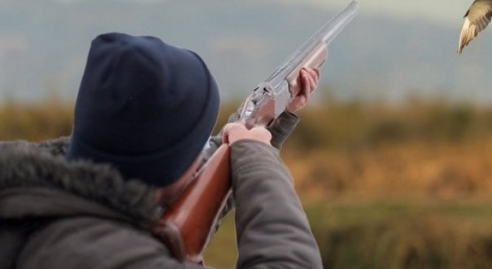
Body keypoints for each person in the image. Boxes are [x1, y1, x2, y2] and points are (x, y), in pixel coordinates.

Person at [0, 32, 323, 269]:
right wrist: (257, 159)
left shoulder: (32, 208)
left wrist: (267, 125)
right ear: (168, 168)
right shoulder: (121, 258)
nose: (204, 156)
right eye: (198, 145)